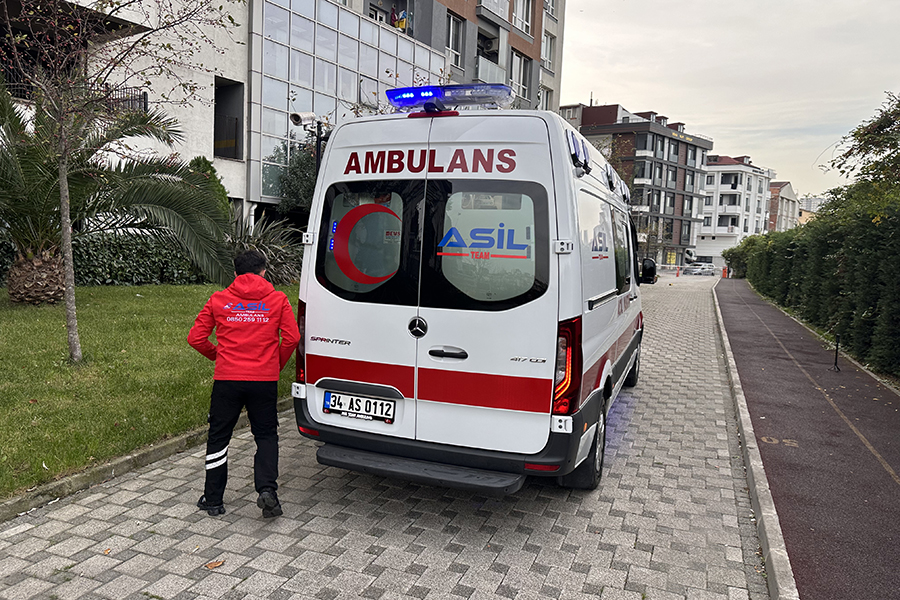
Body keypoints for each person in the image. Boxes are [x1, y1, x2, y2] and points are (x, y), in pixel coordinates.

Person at [188, 250, 300, 518]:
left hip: (227, 380)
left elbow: (196, 338)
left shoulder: (219, 300)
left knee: (219, 436)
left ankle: (213, 500)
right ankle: (267, 492)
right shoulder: (277, 299)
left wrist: (219, 356)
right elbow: (292, 338)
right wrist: (275, 365)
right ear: (264, 271)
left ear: (235, 273)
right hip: (264, 380)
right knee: (265, 435)